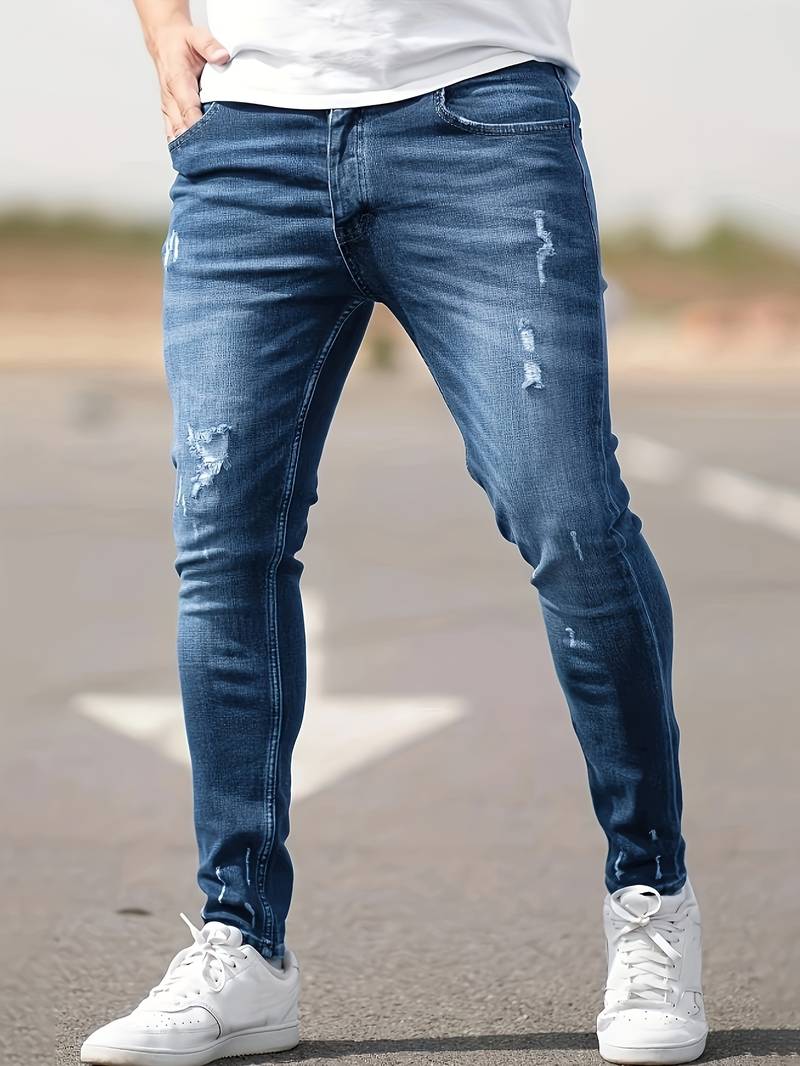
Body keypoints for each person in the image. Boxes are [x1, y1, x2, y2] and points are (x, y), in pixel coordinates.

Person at [81, 2, 708, 1064]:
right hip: (247, 131)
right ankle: (241, 940)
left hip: (481, 117)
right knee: (222, 538)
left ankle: (650, 898)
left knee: (565, 513)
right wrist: (160, 21)